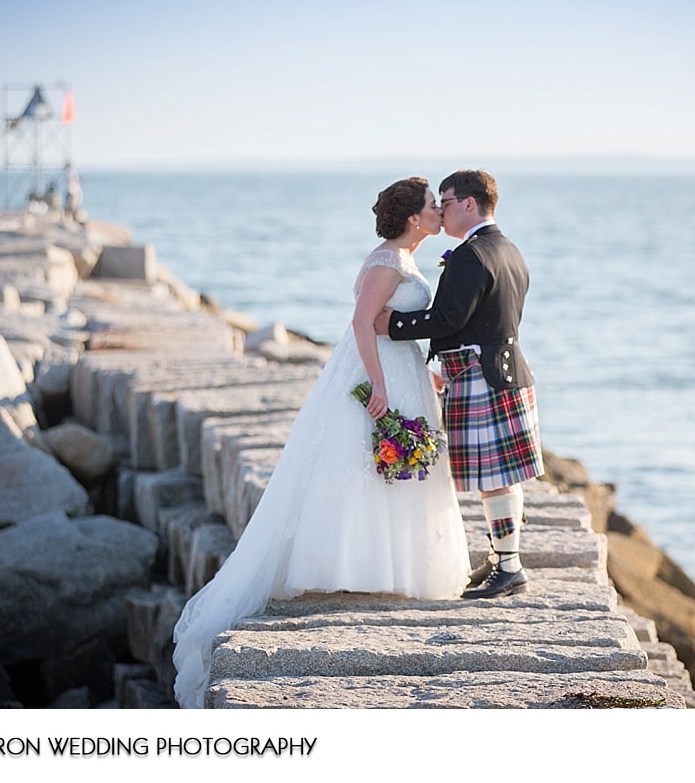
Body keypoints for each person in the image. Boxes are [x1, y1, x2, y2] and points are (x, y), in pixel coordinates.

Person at [171, 177, 471, 709]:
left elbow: (397, 325)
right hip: (376, 372)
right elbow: (362, 324)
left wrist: (424, 375)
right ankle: (351, 565)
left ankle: (390, 565)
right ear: (411, 218)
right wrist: (379, 385)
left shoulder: (404, 258)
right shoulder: (386, 263)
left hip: (404, 371)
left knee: (390, 469)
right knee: (359, 464)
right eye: (431, 205)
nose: (438, 211)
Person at [376, 169, 544, 600]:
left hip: (482, 374)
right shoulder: (507, 248)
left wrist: (392, 325)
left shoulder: (472, 254)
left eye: (445, 202)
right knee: (501, 476)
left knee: (496, 478)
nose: (441, 210)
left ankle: (510, 567)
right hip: (503, 368)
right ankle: (503, 555)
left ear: (469, 203)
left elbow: (447, 318)